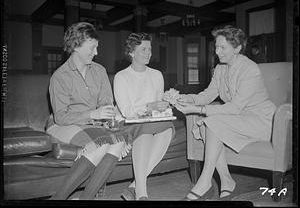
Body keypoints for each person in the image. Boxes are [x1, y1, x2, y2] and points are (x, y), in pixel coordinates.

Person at [174, 25, 276, 201]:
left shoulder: (250, 69)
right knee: (208, 127)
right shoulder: (221, 68)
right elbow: (208, 94)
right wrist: (187, 98)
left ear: (237, 48)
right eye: (216, 46)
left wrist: (197, 110)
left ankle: (205, 182)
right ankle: (227, 181)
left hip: (261, 120)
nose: (217, 51)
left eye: (222, 47)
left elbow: (235, 107)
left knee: (211, 123)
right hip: (239, 118)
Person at [46, 22, 130, 200]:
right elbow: (61, 117)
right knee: (100, 145)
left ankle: (86, 198)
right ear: (75, 46)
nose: (97, 53)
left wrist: (111, 114)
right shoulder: (59, 77)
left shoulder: (99, 71)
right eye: (92, 48)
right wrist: (93, 114)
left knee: (119, 141)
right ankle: (58, 198)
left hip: (92, 124)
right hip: (63, 124)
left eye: (97, 48)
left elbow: (106, 103)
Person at [113, 32, 175, 200]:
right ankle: (141, 193)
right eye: (143, 49)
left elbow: (158, 106)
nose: (148, 53)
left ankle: (134, 185)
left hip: (151, 121)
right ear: (132, 52)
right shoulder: (121, 77)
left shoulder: (157, 75)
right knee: (146, 132)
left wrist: (166, 104)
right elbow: (126, 111)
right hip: (128, 122)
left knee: (168, 129)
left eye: (150, 49)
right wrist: (149, 106)